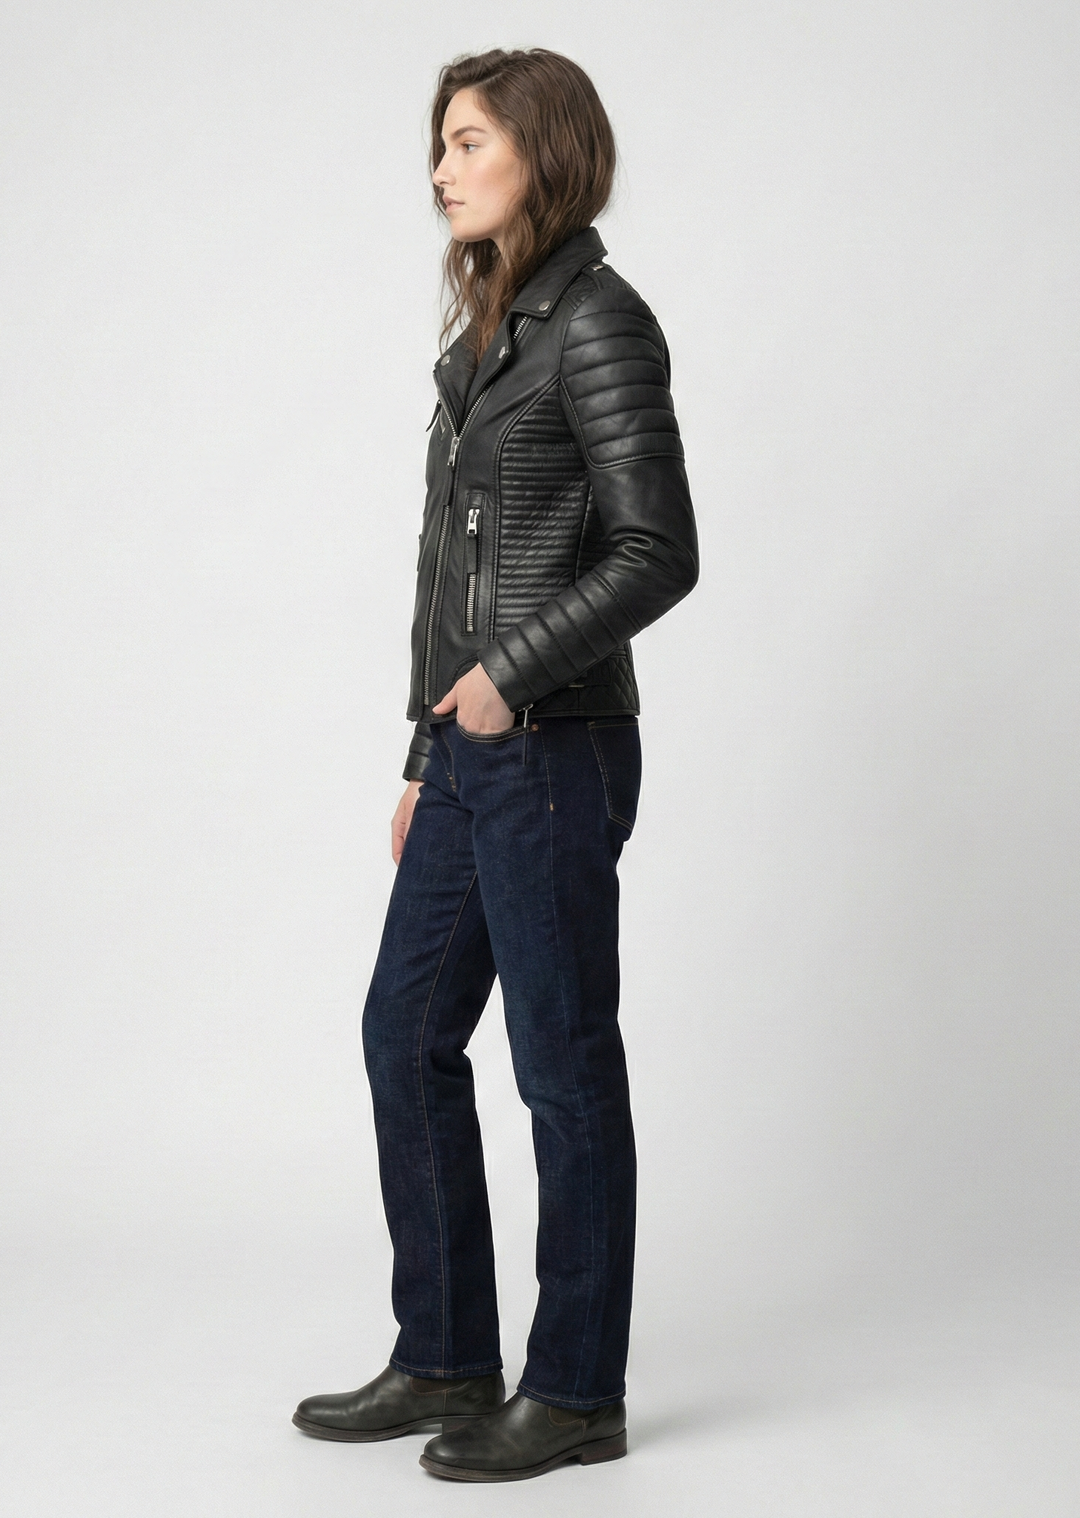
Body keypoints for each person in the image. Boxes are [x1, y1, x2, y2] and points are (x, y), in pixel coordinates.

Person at [292, 47, 698, 1482]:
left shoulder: (598, 322)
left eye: (469, 142)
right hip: (471, 756)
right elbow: (450, 585)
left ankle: (577, 1388)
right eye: (440, 144)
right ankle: (448, 1353)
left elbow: (660, 550)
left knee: (562, 1064)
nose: (442, 169)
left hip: (557, 749)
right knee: (403, 1034)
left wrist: (506, 679)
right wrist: (427, 744)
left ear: (544, 151)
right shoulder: (487, 337)